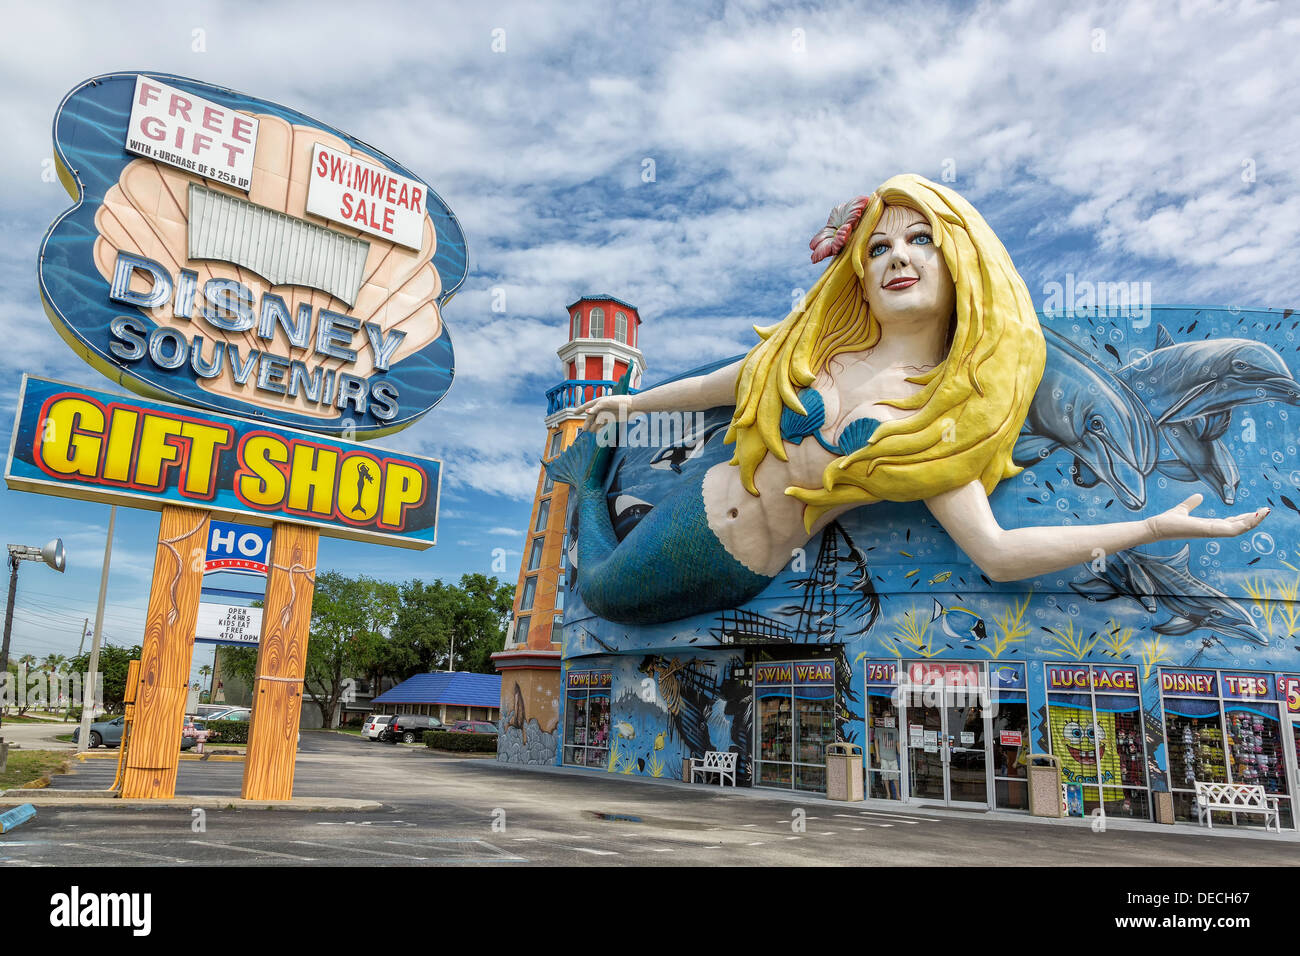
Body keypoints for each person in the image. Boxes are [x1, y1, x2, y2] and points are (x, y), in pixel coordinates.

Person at [551, 174, 1268, 625]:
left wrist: (1150, 530)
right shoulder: (818, 353)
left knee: (609, 593)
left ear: (961, 265)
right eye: (878, 246)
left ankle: (585, 477)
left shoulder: (944, 421)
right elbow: (724, 384)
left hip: (734, 561)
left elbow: (997, 554)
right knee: (603, 587)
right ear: (858, 276)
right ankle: (589, 473)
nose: (898, 256)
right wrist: (627, 407)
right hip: (691, 503)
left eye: (922, 240)